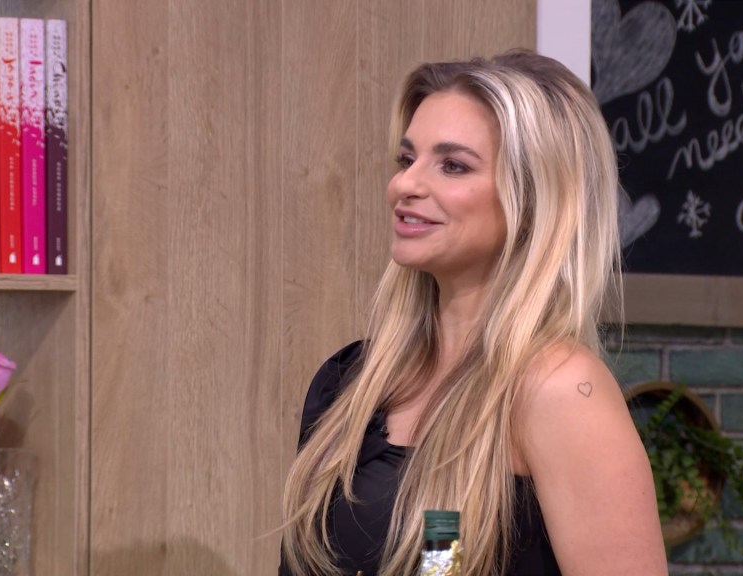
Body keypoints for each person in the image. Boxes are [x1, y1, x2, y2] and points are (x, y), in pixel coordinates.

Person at [279, 50, 667, 575]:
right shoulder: (348, 384)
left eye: (453, 165)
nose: (404, 185)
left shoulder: (560, 390)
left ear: (532, 199)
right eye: (407, 159)